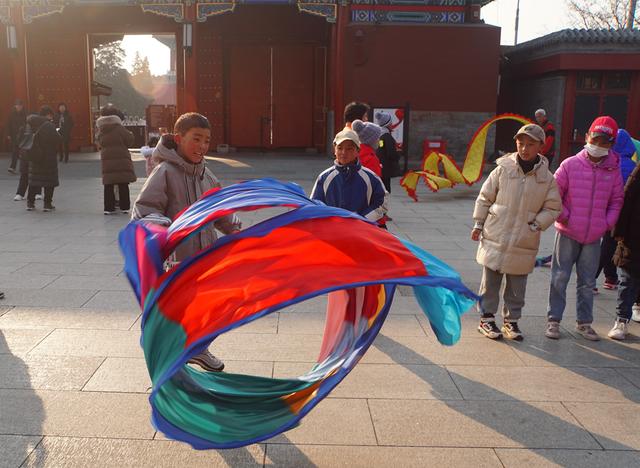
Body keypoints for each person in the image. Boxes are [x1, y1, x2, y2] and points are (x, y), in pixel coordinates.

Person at [132, 112, 241, 372]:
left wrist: (233, 230)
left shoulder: (207, 176)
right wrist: (164, 227)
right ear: (179, 139)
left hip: (204, 257)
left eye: (206, 140)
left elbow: (220, 210)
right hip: (176, 259)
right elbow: (144, 208)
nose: (202, 146)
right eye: (196, 139)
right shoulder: (165, 172)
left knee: (204, 308)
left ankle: (198, 349)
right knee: (174, 310)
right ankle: (169, 357)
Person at [472, 124, 561, 341]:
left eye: (530, 145)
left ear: (541, 146)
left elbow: (553, 207)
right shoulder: (503, 169)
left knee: (517, 284)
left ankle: (511, 321)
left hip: (524, 238)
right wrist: (478, 224)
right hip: (496, 234)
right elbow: (485, 197)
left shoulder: (546, 178)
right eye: (521, 143)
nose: (524, 149)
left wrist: (536, 224)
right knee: (490, 280)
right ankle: (486, 318)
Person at [545, 116, 624, 341]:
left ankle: (584, 322)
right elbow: (554, 194)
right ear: (588, 137)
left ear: (611, 144)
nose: (598, 146)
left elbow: (617, 200)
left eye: (604, 142)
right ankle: (553, 321)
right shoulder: (569, 164)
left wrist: (606, 223)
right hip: (567, 232)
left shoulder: (613, 169)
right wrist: (565, 217)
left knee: (588, 282)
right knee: (559, 278)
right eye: (595, 139)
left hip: (593, 236)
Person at [311, 128, 388, 224]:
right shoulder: (324, 177)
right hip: (333, 231)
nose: (343, 152)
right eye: (340, 148)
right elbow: (314, 205)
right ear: (334, 150)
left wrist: (362, 219)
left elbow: (382, 204)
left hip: (363, 231)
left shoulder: (371, 178)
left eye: (349, 149)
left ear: (358, 151)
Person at [594, 128, 638, 292]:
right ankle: (593, 277)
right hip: (622, 212)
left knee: (609, 243)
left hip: (606, 209)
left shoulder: (608, 163)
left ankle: (610, 277)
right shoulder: (631, 165)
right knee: (610, 245)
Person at [608, 163, 640, 339]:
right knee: (628, 281)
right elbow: (627, 198)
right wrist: (619, 232)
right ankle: (621, 320)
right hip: (634, 237)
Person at [96, 106, 136, 214]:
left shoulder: (101, 129)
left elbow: (99, 142)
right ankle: (124, 207)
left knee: (108, 184)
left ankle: (109, 208)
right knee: (123, 183)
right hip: (121, 158)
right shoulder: (119, 128)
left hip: (107, 159)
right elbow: (129, 140)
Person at [24, 106, 61, 212]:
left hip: (34, 156)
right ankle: (47, 204)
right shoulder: (49, 125)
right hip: (47, 157)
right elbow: (58, 139)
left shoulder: (30, 124)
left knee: (34, 180)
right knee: (49, 181)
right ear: (48, 115)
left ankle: (30, 203)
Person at [374, 110, 401, 193]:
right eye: (390, 122)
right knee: (386, 189)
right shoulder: (386, 136)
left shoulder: (377, 134)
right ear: (387, 123)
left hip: (378, 166)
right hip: (385, 168)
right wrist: (398, 154)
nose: (392, 124)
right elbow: (391, 153)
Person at [6, 99, 26, 174]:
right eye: (17, 106)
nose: (18, 107)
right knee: (15, 151)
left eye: (20, 106)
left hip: (23, 136)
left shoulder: (25, 114)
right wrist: (8, 134)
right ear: (15, 106)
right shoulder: (11, 114)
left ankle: (24, 168)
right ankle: (12, 167)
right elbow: (8, 124)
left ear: (22, 106)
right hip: (14, 135)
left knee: (24, 153)